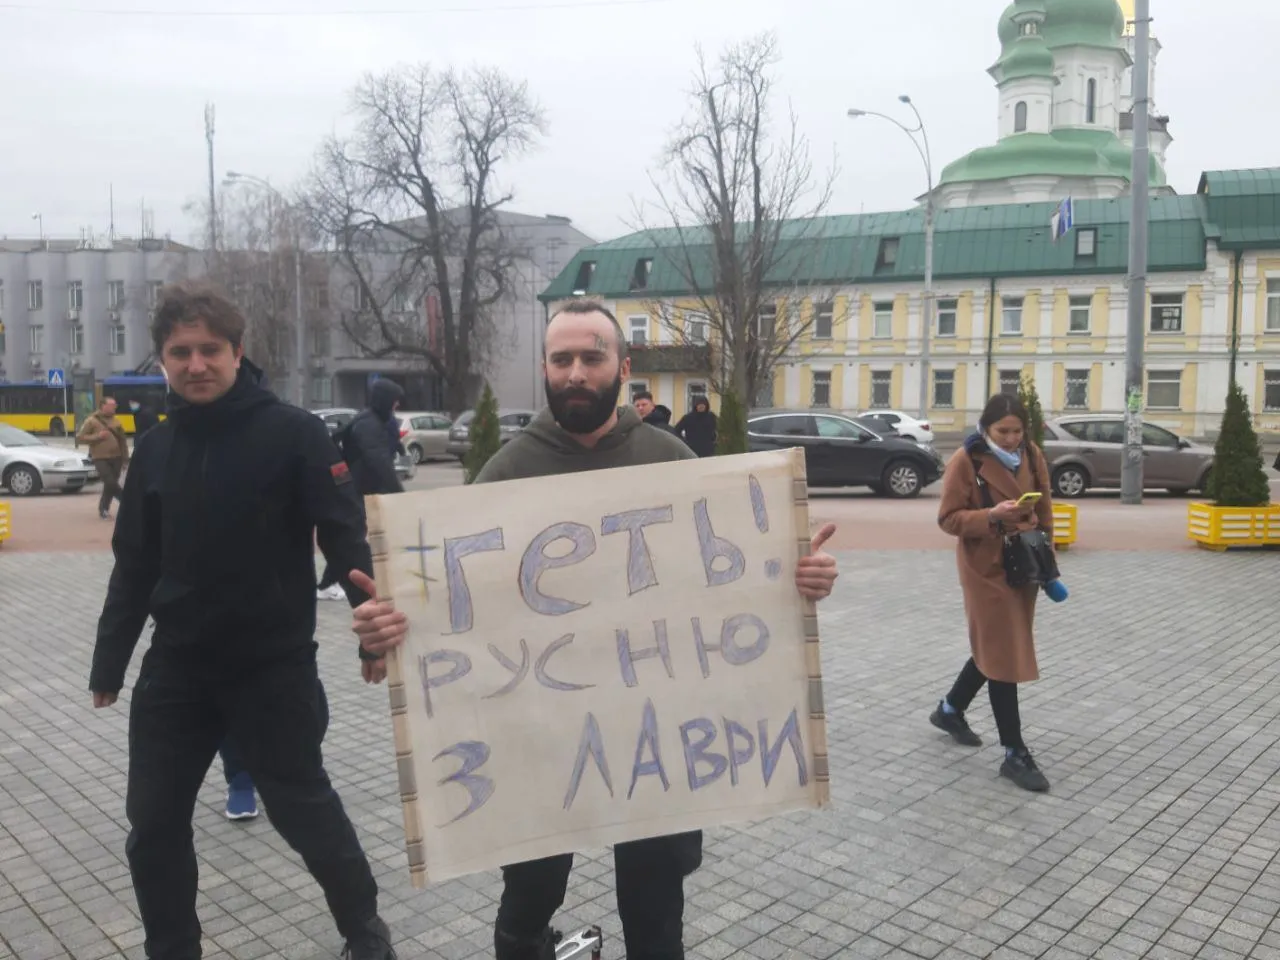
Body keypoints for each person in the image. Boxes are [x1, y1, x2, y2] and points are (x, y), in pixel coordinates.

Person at [349, 299, 841, 960]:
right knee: (527, 902)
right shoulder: (505, 472)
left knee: (656, 911)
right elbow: (451, 608)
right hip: (539, 744)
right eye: (561, 359)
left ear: (622, 366)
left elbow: (729, 584)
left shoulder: (671, 460)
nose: (575, 372)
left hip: (657, 744)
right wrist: (383, 630)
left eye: (591, 357)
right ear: (547, 369)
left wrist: (799, 581)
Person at [88, 279, 398, 960]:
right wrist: (109, 661)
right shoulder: (158, 450)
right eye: (179, 353)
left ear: (237, 351)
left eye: (209, 350)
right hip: (178, 671)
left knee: (303, 809)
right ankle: (172, 947)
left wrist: (371, 631)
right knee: (154, 823)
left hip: (271, 667)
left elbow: (344, 536)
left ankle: (364, 929)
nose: (195, 365)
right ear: (163, 360)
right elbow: (134, 563)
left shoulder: (293, 433)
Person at [933, 393, 1054, 793]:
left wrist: (1047, 551)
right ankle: (1014, 753)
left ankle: (951, 709)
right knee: (1003, 651)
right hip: (985, 566)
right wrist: (990, 516)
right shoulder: (966, 461)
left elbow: (1047, 506)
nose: (1010, 438)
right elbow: (948, 519)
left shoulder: (1032, 455)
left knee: (998, 643)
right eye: (1002, 431)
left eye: (1017, 430)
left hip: (1024, 561)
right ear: (986, 428)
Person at [317, 379, 406, 601]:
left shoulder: (372, 420)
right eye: (394, 403)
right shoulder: (369, 425)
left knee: (354, 537)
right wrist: (399, 494)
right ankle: (328, 584)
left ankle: (333, 581)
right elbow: (378, 460)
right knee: (349, 538)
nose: (396, 407)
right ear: (386, 401)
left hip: (362, 488)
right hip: (355, 489)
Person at [77, 397, 129, 520]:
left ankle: (104, 509)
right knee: (110, 481)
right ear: (103, 406)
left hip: (116, 457)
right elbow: (80, 437)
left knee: (110, 486)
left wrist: (125, 459)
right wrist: (97, 436)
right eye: (111, 405)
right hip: (100, 457)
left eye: (115, 405)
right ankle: (127, 502)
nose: (114, 408)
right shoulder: (92, 421)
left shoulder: (117, 421)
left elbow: (123, 441)